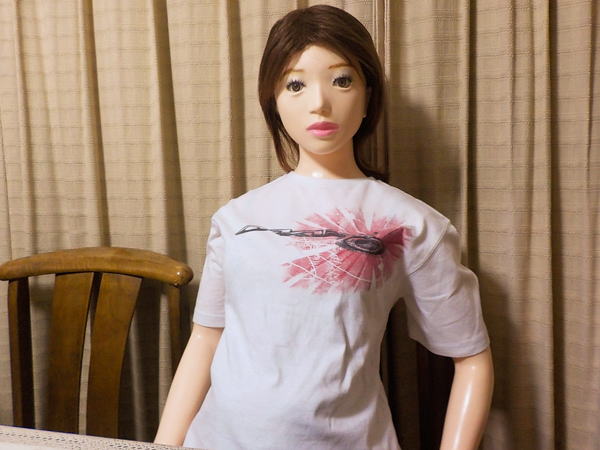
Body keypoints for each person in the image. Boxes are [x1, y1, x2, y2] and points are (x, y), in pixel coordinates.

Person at [155, 5, 494, 450]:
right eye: (295, 84)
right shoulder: (235, 220)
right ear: (274, 102)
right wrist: (162, 444)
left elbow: (471, 359)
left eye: (342, 80)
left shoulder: (412, 225)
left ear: (368, 94)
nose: (319, 101)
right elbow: (206, 338)